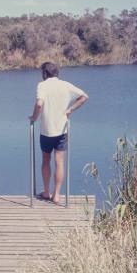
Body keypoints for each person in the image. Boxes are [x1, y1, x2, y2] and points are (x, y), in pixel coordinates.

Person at [28, 62, 88, 204]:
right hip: (62, 130)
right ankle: (57, 195)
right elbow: (84, 96)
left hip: (46, 131)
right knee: (59, 162)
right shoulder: (65, 85)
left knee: (46, 160)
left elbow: (39, 104)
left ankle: (46, 192)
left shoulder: (42, 85)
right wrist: (70, 110)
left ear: (44, 73)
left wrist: (34, 118)